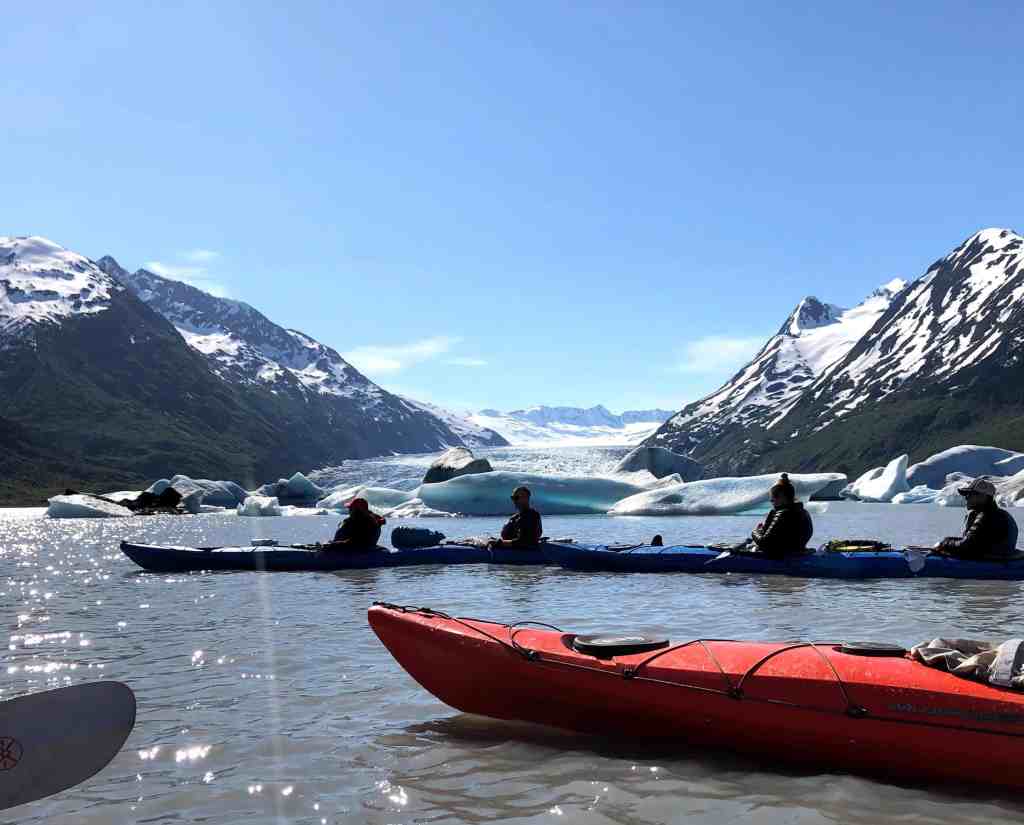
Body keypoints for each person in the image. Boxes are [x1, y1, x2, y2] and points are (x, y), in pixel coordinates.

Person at [936, 477, 1018, 559]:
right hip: (1000, 558)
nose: (966, 498)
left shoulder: (986, 516)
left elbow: (966, 546)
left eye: (970, 494)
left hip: (991, 562)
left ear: (983, 497)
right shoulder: (998, 514)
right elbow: (976, 541)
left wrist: (944, 544)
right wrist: (948, 540)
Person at [748, 473, 814, 559]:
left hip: (782, 556)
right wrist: (764, 529)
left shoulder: (783, 514)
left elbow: (764, 543)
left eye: (772, 500)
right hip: (797, 552)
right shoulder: (803, 512)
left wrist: (755, 532)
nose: (772, 504)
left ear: (781, 497)